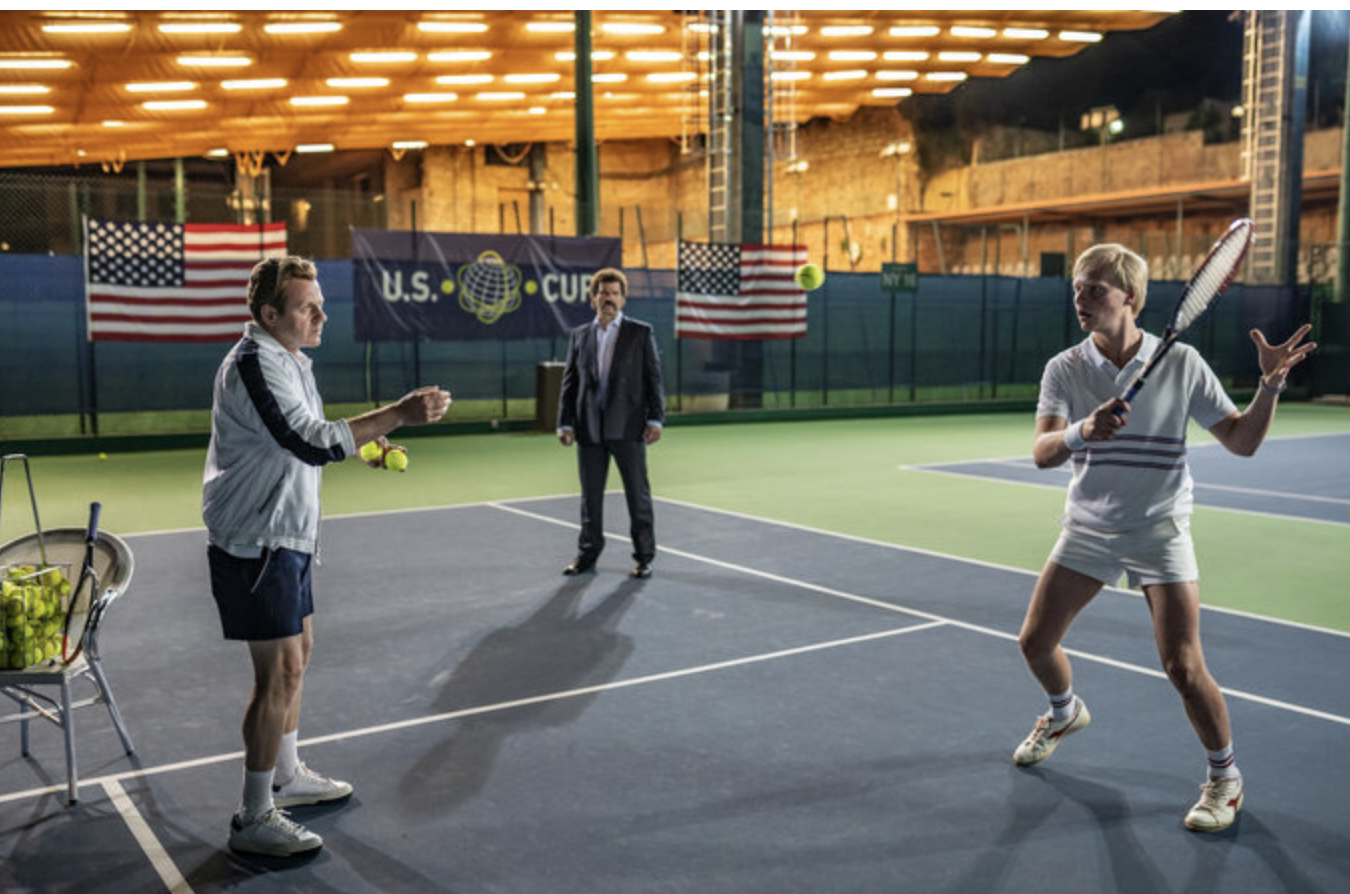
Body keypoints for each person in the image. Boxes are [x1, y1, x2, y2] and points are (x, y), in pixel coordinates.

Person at [1014, 243, 1314, 833]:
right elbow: (1044, 453)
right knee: (1034, 644)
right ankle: (1064, 711)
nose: (1080, 298)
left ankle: (1225, 778)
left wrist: (1270, 385)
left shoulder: (1182, 363)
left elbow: (1242, 441)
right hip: (1088, 528)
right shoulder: (1064, 368)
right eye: (1076, 288)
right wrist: (1084, 429)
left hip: (1160, 529)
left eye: (1095, 288)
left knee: (1182, 666)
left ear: (1130, 296)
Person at [203, 255, 451, 857]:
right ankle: (253, 815)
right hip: (257, 539)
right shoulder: (256, 361)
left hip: (286, 535)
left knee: (299, 657)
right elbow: (306, 441)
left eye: (320, 304)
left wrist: (363, 442)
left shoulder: (287, 359)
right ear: (270, 314)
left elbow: (302, 435)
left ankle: (286, 775)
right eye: (307, 307)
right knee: (278, 674)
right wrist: (399, 412)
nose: (321, 316)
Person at [556, 267, 666, 579]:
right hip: (589, 429)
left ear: (623, 299)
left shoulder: (640, 333)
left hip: (629, 428)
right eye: (604, 293)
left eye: (615, 294)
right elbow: (569, 383)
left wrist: (655, 419)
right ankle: (587, 556)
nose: (609, 299)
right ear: (594, 298)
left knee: (637, 495)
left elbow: (654, 378)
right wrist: (565, 423)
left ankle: (644, 557)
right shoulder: (580, 335)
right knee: (590, 498)